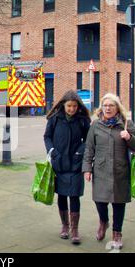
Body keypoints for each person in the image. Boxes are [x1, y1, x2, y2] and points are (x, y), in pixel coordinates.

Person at [82, 93, 135, 249]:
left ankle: (117, 233)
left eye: (111, 105)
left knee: (118, 203)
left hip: (120, 170)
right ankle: (103, 222)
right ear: (101, 107)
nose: (108, 108)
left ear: (118, 108)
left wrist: (129, 137)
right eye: (105, 105)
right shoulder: (96, 125)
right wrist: (87, 169)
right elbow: (89, 148)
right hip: (101, 170)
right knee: (99, 200)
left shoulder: (126, 124)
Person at [44, 90, 91, 244]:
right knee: (62, 195)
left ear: (78, 106)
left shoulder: (83, 120)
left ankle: (75, 229)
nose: (71, 109)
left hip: (76, 164)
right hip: (59, 162)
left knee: (75, 196)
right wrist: (52, 152)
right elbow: (47, 136)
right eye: (69, 106)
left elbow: (89, 139)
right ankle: (65, 226)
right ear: (63, 105)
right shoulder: (54, 118)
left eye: (74, 106)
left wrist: (80, 152)